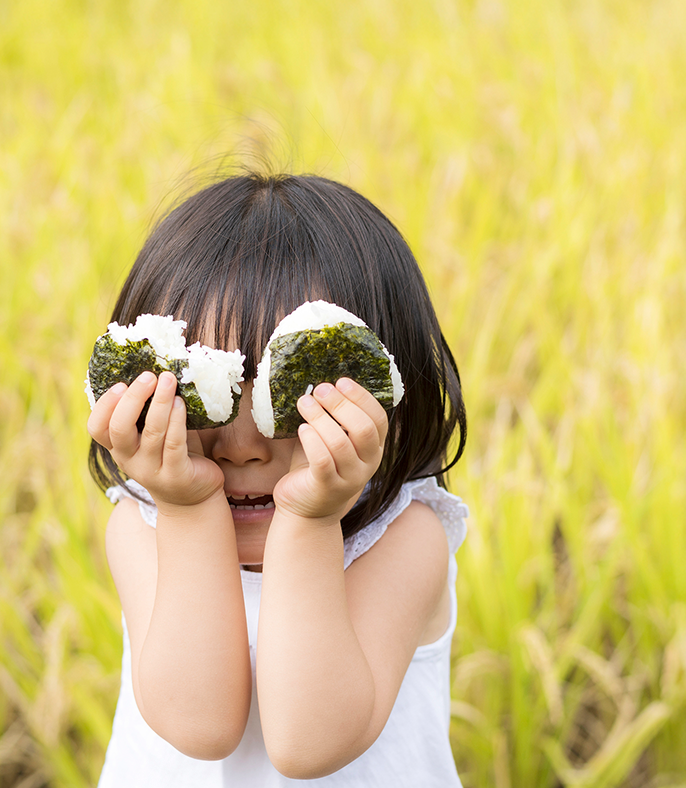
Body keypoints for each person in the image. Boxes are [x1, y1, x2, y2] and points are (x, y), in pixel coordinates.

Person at [87, 171, 470, 786]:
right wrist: (187, 511)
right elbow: (201, 726)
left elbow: (307, 742)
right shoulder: (143, 524)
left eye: (292, 400)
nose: (243, 448)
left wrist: (310, 520)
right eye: (202, 394)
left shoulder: (405, 538)